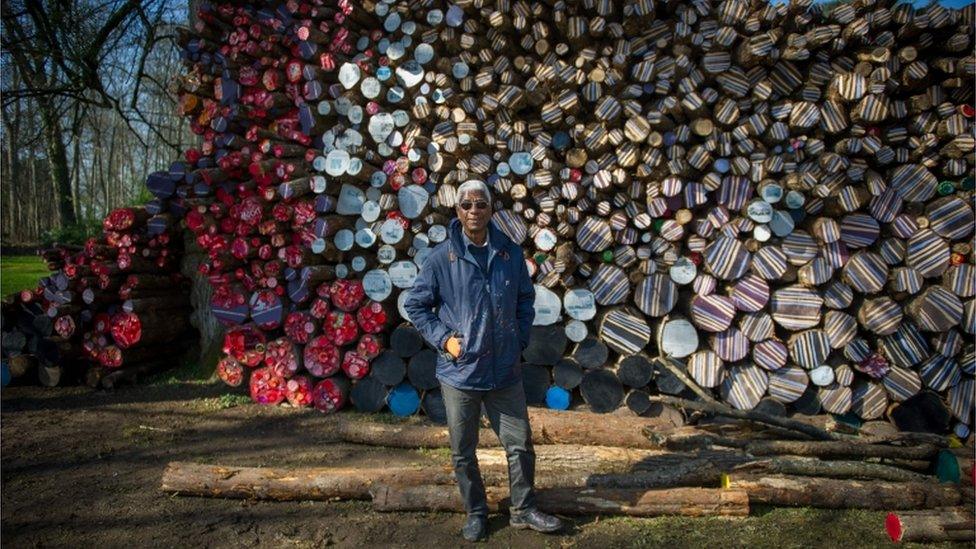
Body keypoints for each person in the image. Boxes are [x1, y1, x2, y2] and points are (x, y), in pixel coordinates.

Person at [403, 179, 564, 541]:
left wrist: (519, 339)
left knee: (520, 445)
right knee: (463, 451)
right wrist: (444, 340)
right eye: (466, 205)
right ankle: (476, 512)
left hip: (504, 370)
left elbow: (525, 300)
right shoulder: (441, 258)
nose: (474, 211)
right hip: (461, 373)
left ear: (491, 209)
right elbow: (416, 304)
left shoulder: (509, 253)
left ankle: (523, 509)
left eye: (480, 204)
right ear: (457, 211)